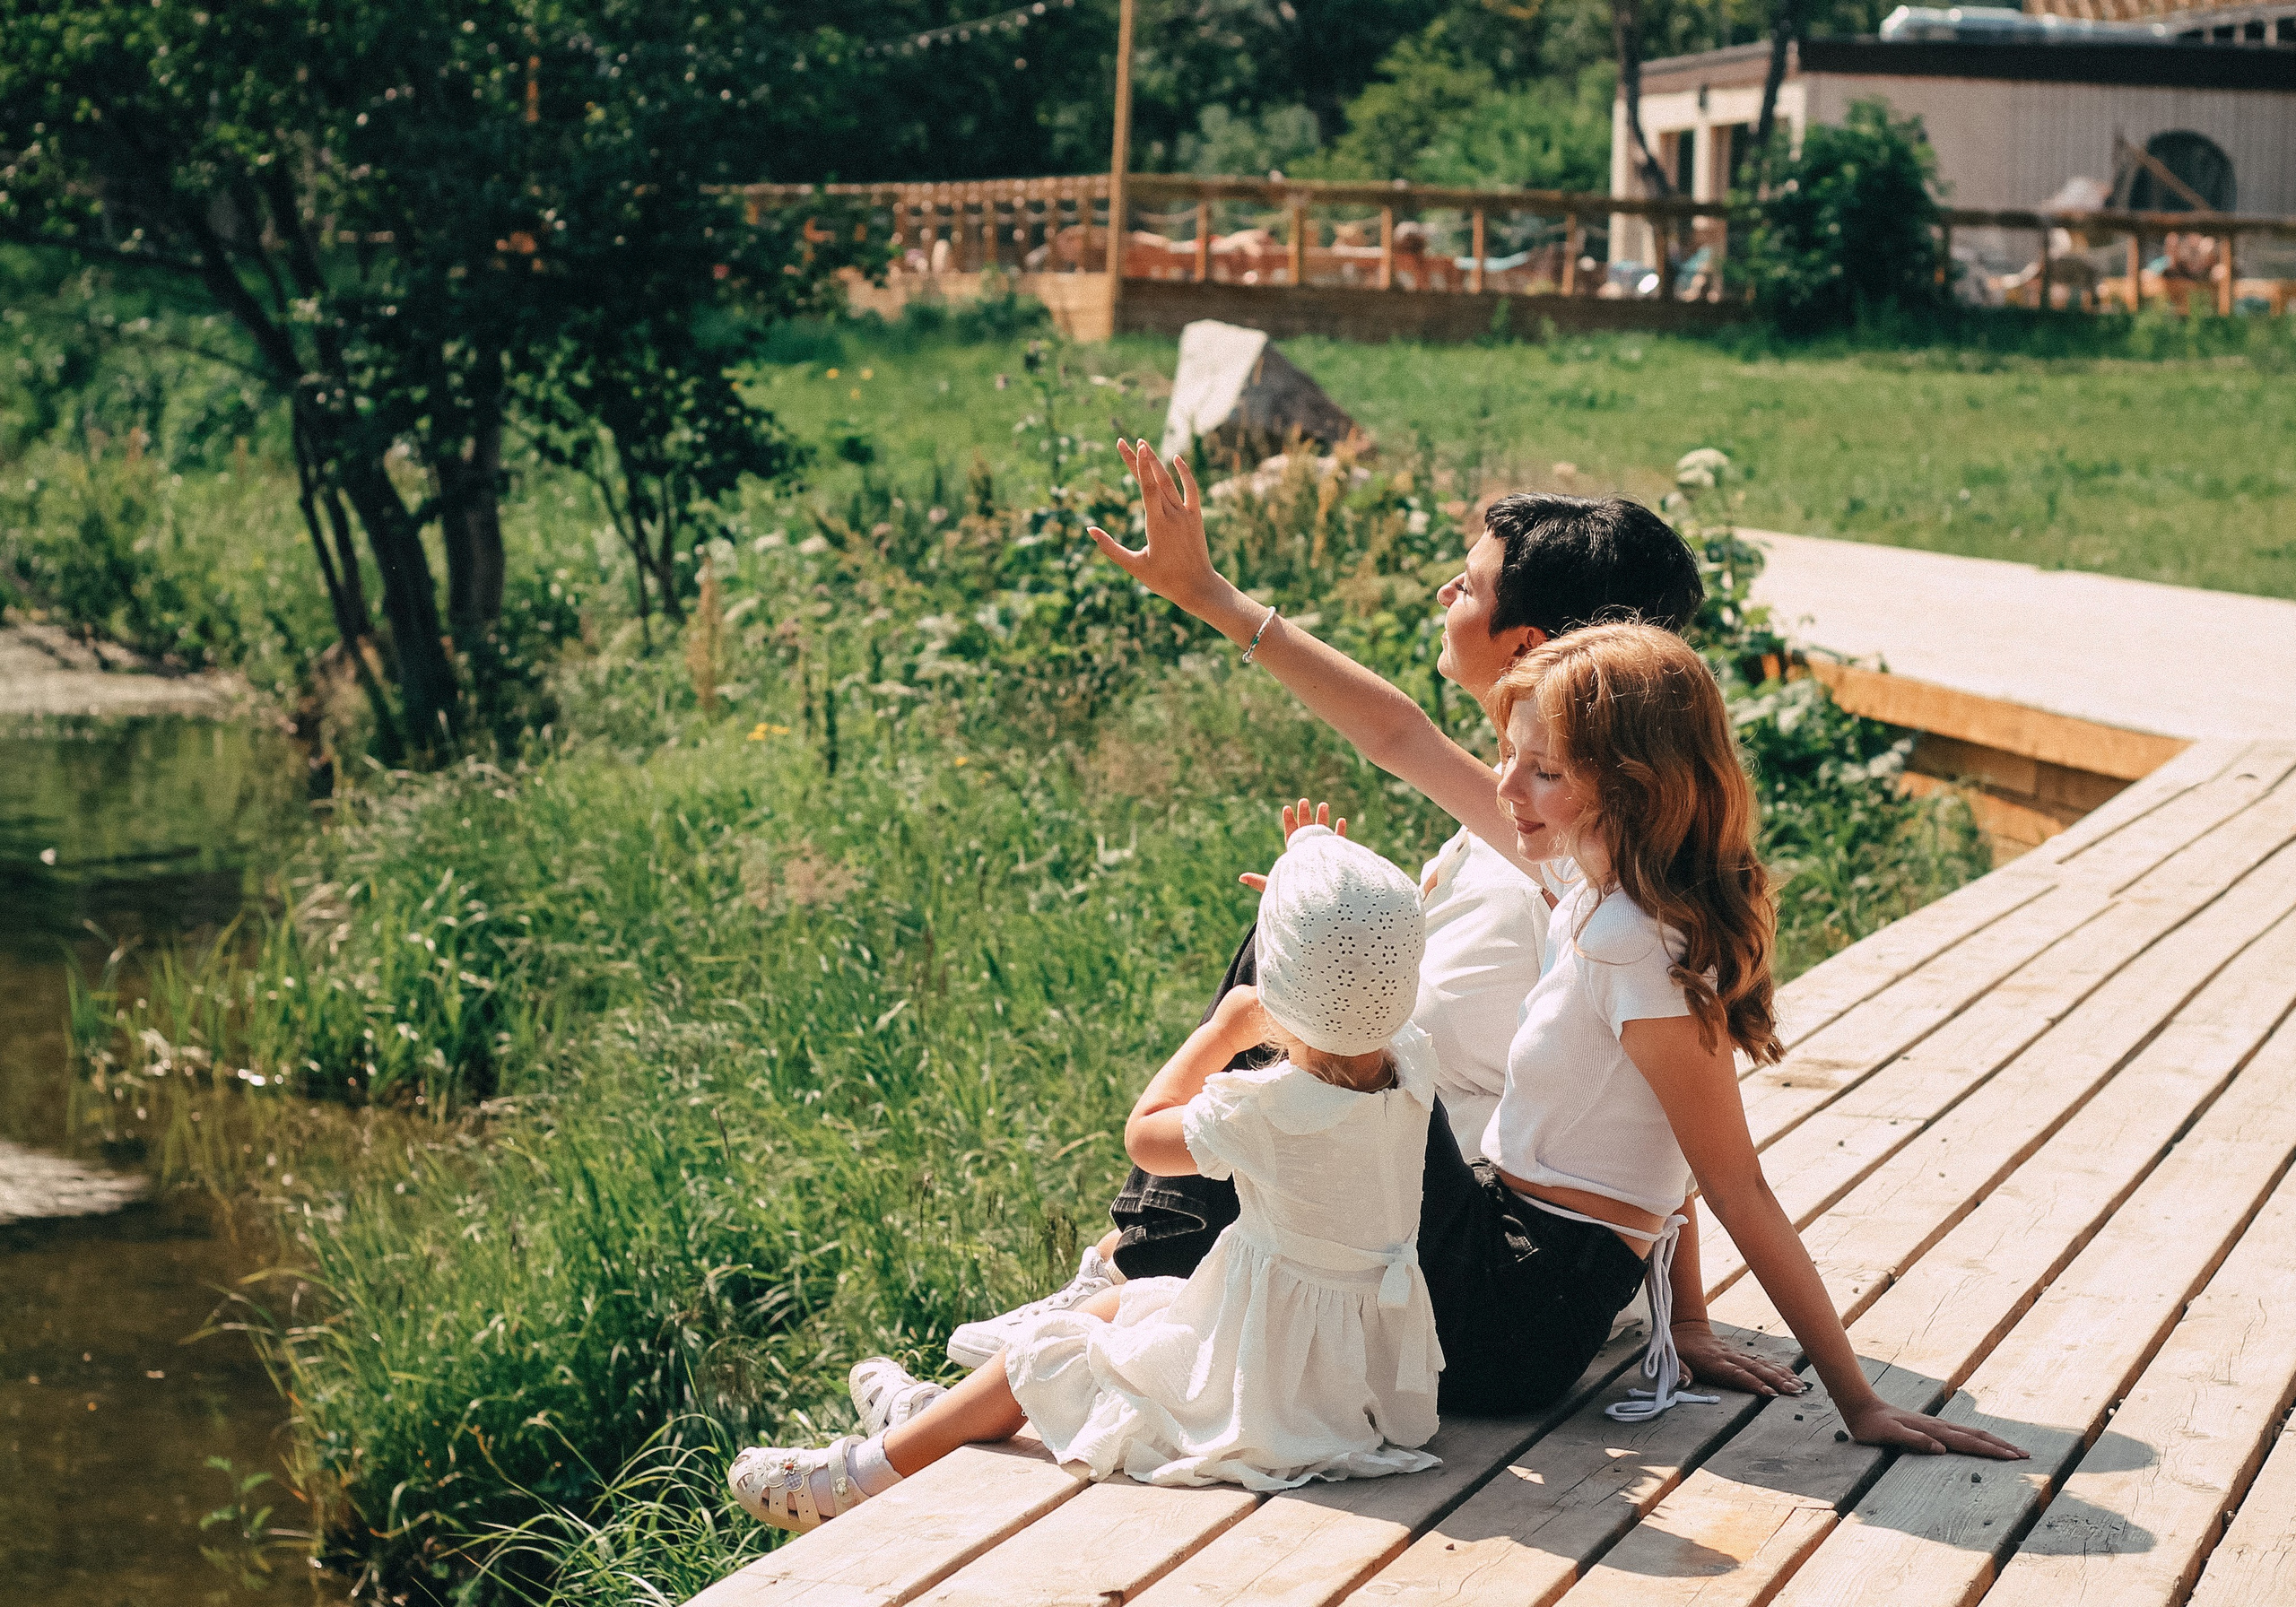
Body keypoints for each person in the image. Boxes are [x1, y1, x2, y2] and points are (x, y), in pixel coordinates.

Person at [929, 451, 1799, 1414]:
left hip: (1448, 1236)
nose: (1443, 591)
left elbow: (1395, 736)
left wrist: (1214, 597)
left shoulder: (1572, 870)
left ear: (1530, 646)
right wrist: (1683, 1318)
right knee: (1309, 923)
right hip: (1460, 1215)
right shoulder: (1568, 838)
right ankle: (1120, 1272)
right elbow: (1651, 1096)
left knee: (1310, 959)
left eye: (1466, 584)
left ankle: (1140, 1272)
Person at [732, 829, 1450, 1531]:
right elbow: (1356, 961)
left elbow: (1145, 1134)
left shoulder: (1266, 1111)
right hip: (1363, 1374)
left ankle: (867, 1472)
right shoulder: (1412, 1071)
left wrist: (1222, 1035)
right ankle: (939, 1418)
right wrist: (1316, 900)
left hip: (1271, 1387)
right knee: (1129, 1303)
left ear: (1274, 987)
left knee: (1042, 1357)